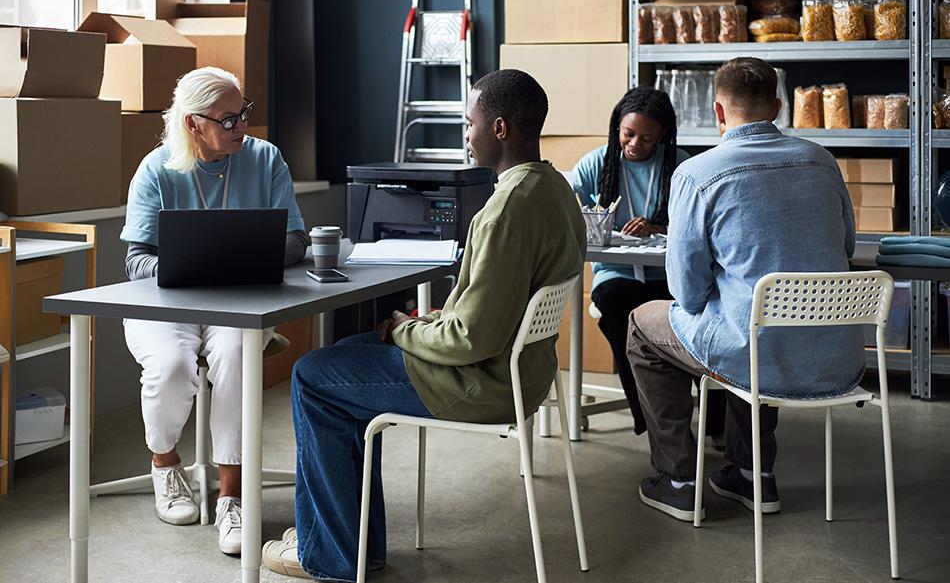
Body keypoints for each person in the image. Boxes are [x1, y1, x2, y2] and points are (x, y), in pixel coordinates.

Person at [260, 69, 586, 581]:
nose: (466, 133)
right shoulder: (555, 190)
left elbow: (471, 338)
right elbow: (487, 314)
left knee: (311, 376)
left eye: (470, 123)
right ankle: (355, 545)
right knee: (343, 355)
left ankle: (330, 556)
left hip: (481, 382)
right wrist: (416, 323)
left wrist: (404, 329)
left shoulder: (503, 214)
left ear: (499, 128)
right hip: (526, 373)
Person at [627, 57, 864, 521]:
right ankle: (754, 474)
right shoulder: (822, 160)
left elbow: (686, 293)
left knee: (643, 324)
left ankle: (679, 480)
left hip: (758, 352)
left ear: (717, 111)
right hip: (838, 357)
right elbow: (846, 246)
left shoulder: (698, 173)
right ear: (778, 107)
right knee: (747, 318)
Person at [120, 66, 308, 553]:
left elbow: (295, 240)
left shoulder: (265, 159)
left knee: (235, 355)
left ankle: (232, 497)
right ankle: (165, 465)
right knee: (172, 364)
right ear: (193, 124)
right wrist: (194, 269)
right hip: (168, 305)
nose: (241, 126)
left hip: (241, 303)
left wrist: (241, 262)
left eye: (243, 113)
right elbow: (137, 260)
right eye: (228, 120)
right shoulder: (156, 169)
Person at [571, 86, 716, 437]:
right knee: (619, 311)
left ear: (662, 135)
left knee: (701, 321)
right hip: (616, 274)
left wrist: (657, 227)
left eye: (647, 138)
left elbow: (697, 225)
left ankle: (712, 423)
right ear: (616, 128)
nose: (635, 144)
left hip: (668, 275)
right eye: (628, 134)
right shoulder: (595, 164)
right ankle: (651, 421)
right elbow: (572, 215)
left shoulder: (680, 165)